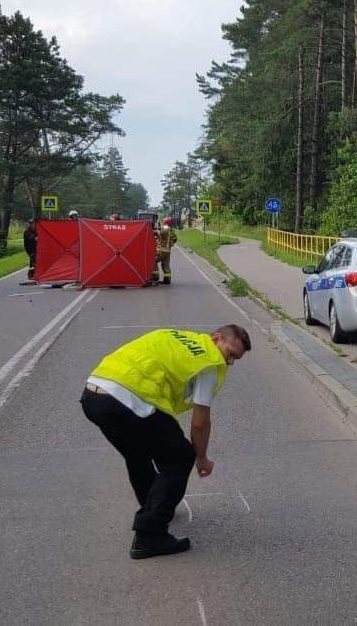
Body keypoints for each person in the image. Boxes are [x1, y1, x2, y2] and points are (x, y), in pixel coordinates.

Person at [80, 324, 252, 559]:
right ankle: (150, 535)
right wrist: (202, 458)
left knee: (137, 453)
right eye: (231, 353)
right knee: (181, 456)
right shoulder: (209, 361)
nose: (230, 362)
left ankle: (155, 505)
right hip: (128, 398)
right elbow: (200, 423)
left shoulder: (179, 337)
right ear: (216, 338)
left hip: (94, 394)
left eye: (236, 359)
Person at [153, 218, 177, 285]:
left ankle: (155, 277)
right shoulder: (171, 231)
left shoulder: (165, 228)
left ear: (165, 222)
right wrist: (170, 243)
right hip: (168, 251)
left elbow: (160, 233)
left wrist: (153, 231)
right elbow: (175, 239)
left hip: (161, 250)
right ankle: (167, 280)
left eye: (163, 221)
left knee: (153, 261)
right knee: (165, 265)